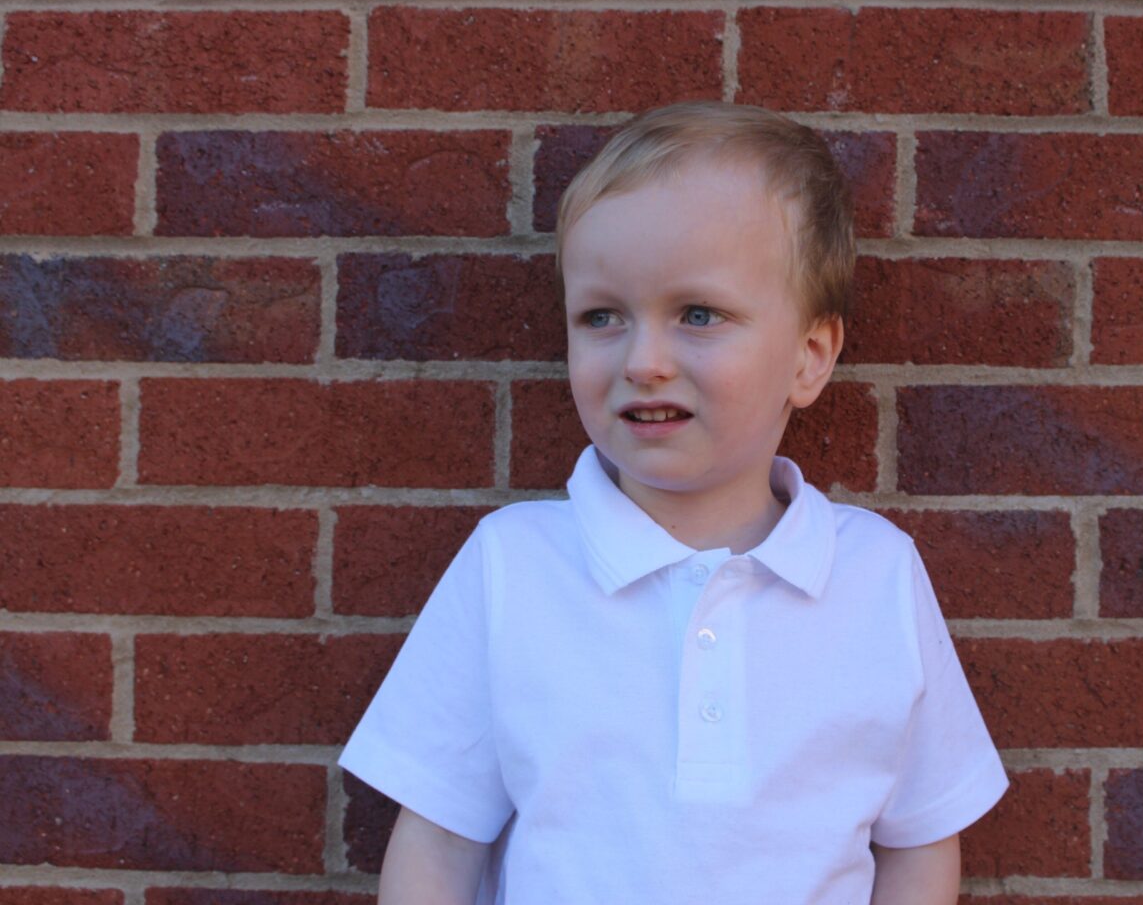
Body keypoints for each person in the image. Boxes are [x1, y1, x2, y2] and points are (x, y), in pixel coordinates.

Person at [337, 100, 1009, 905]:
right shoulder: (513, 564)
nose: (643, 360)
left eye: (697, 314)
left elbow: (920, 843)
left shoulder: (875, 576)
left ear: (810, 356)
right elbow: (438, 841)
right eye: (602, 317)